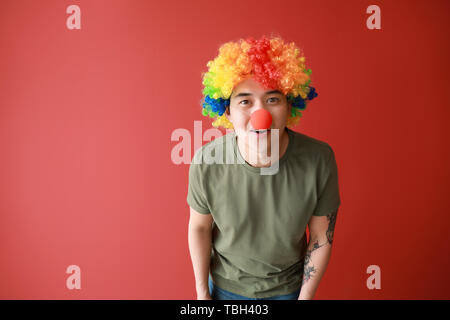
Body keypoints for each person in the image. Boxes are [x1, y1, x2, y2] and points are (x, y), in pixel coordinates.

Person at [187, 35, 341, 300]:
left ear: (289, 105)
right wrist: (202, 295)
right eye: (245, 101)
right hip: (224, 290)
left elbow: (320, 236)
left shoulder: (319, 158)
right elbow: (199, 228)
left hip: (290, 290)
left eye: (272, 100)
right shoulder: (206, 161)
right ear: (227, 111)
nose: (261, 116)